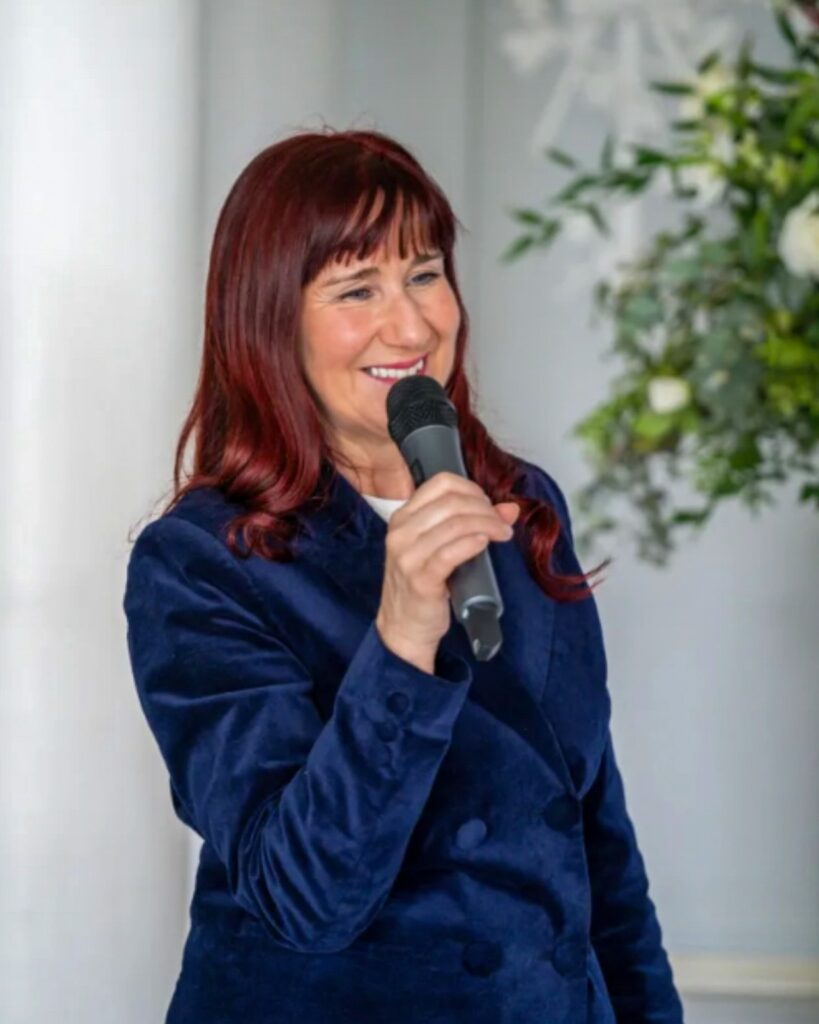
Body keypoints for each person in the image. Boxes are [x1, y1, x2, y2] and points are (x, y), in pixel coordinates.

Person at [123, 127, 684, 1023]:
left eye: (424, 274)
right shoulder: (203, 562)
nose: (414, 326)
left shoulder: (519, 505)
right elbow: (304, 898)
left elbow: (596, 838)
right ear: (270, 320)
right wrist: (401, 639)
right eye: (357, 289)